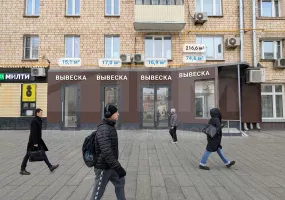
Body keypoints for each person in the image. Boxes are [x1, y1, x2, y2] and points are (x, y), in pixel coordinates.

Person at [91, 104, 126, 200]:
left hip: (111, 165)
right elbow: (107, 152)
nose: (118, 114)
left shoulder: (110, 126)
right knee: (97, 194)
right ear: (109, 114)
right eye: (116, 112)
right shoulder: (104, 129)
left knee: (120, 180)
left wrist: (116, 167)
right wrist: (118, 167)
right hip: (103, 167)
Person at [20, 108, 59, 175]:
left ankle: (50, 166)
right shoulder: (34, 120)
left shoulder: (38, 120)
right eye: (41, 112)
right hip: (33, 141)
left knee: (43, 153)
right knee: (28, 154)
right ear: (37, 113)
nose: (42, 114)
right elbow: (33, 132)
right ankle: (22, 169)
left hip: (38, 140)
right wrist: (35, 143)